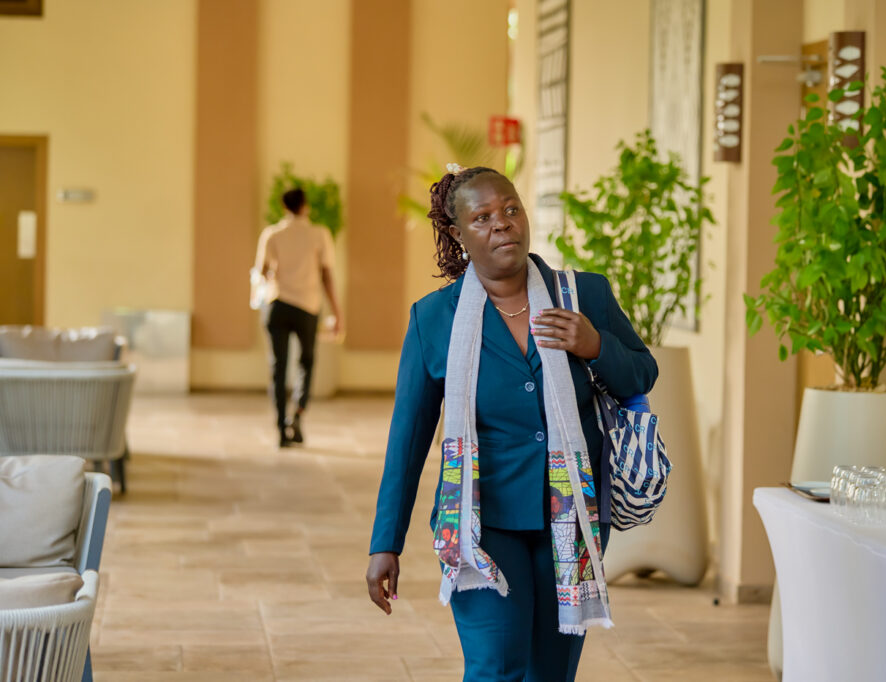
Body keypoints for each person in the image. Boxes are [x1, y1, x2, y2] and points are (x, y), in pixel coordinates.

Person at [365, 165, 657, 681]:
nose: (502, 223)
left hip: (572, 517)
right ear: (458, 233)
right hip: (481, 521)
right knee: (494, 668)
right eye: (482, 217)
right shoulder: (434, 319)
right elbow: (407, 440)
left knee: (551, 673)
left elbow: (643, 372)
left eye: (510, 209)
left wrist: (595, 345)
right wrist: (385, 542)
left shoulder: (583, 295)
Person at [254, 187, 341, 448]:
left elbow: (261, 272)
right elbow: (327, 276)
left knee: (278, 367)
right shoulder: (319, 234)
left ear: (284, 207)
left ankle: (281, 428)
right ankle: (298, 415)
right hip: (307, 308)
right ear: (305, 206)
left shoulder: (272, 234)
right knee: (306, 362)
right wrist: (337, 313)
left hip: (277, 306)